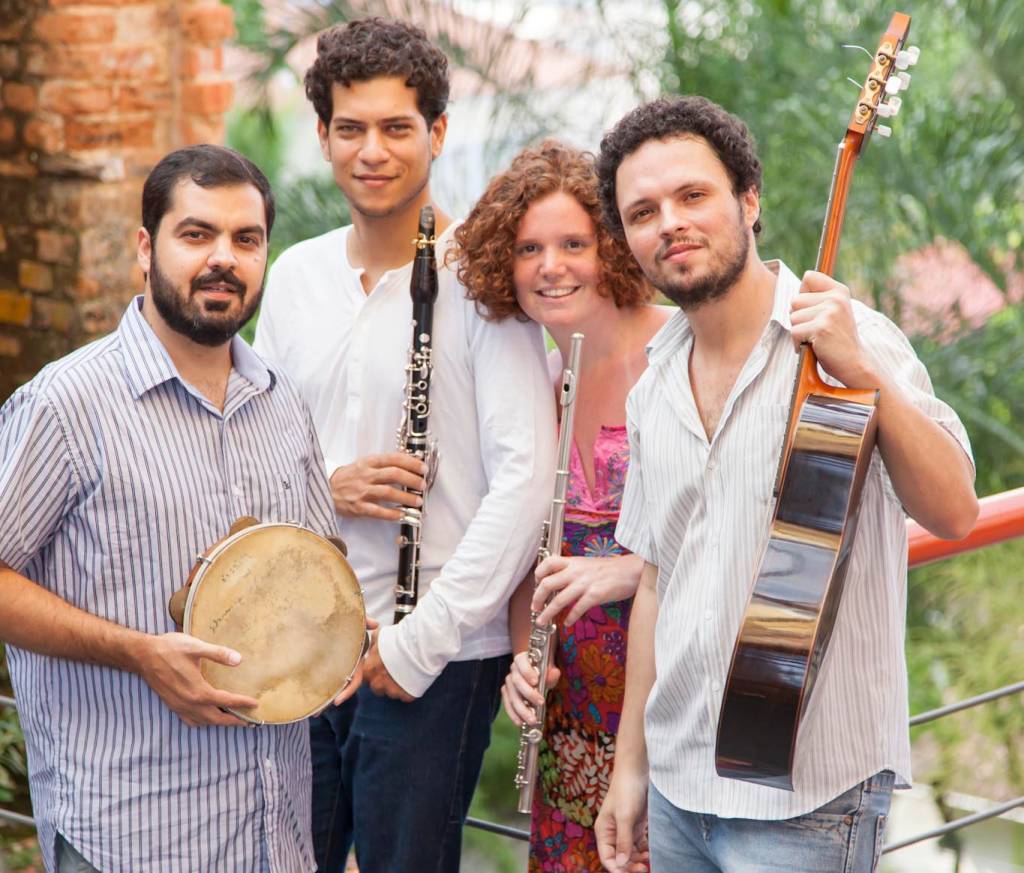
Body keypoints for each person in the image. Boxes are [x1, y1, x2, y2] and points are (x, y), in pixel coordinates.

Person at [590, 96, 980, 873]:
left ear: (749, 199)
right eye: (643, 210)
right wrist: (629, 766)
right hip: (676, 789)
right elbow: (660, 582)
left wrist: (866, 376)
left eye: (692, 195)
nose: (670, 222)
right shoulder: (652, 387)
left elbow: (956, 511)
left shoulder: (851, 337)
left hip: (808, 800)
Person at [0, 144, 360, 872]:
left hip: (275, 830)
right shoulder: (66, 404)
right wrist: (140, 653)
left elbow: (313, 566)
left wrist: (338, 636)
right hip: (131, 834)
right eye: (196, 234)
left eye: (246, 239)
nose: (223, 258)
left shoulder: (283, 400)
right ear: (146, 247)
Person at [252, 18, 555, 873]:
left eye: (396, 128)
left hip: (431, 656)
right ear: (322, 136)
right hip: (303, 641)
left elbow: (527, 480)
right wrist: (329, 488)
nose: (371, 151)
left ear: (437, 133)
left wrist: (418, 644)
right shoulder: (295, 276)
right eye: (350, 128)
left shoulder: (485, 280)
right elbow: (257, 454)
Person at [452, 140, 667, 872]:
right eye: (528, 247)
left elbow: (732, 529)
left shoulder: (679, 352)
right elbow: (529, 563)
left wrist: (626, 571)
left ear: (609, 243)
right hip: (569, 716)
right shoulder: (534, 384)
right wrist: (522, 659)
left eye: (574, 242)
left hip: (667, 706)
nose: (551, 266)